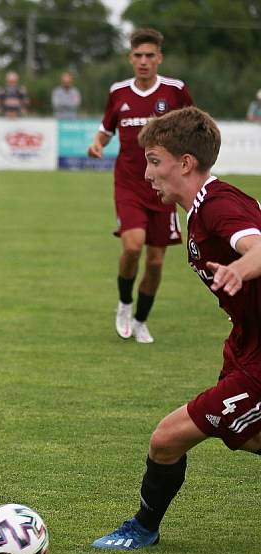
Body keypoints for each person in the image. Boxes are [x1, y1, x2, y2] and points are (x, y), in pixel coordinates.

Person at [93, 106, 261, 550]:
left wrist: (241, 268)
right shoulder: (201, 208)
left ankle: (143, 529)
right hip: (246, 342)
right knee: (245, 435)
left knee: (167, 439)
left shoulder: (217, 206)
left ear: (185, 163)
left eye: (154, 161)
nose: (147, 174)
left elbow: (259, 246)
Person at [87, 28, 193, 343]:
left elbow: (195, 127)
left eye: (150, 56)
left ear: (159, 58)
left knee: (157, 260)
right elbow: (106, 128)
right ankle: (124, 303)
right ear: (130, 58)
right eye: (138, 56)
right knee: (132, 247)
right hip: (130, 183)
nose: (144, 61)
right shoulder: (118, 92)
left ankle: (141, 320)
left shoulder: (175, 91)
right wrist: (97, 143)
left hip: (165, 188)